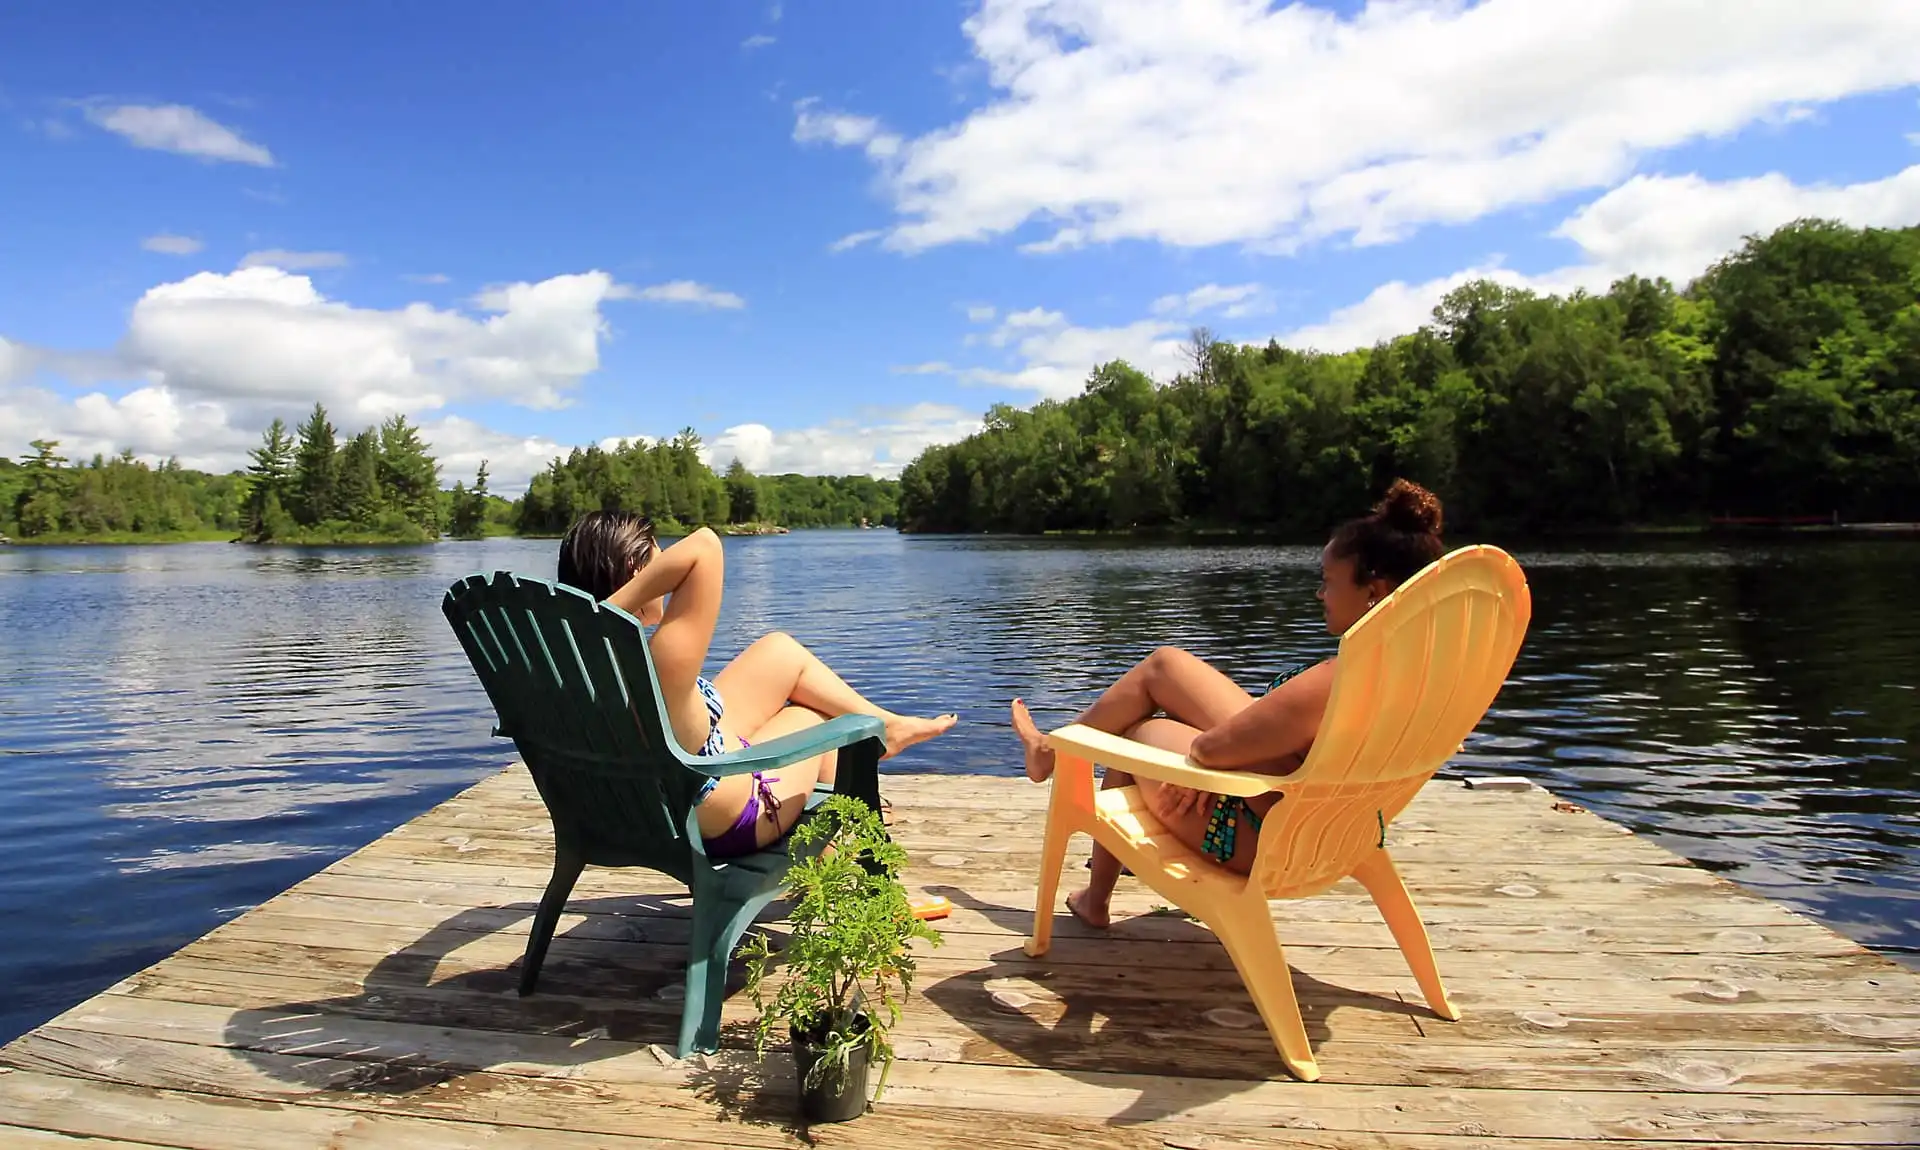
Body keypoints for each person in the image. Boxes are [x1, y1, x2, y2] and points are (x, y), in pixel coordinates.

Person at [1010, 479, 1446, 928]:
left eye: (1328, 582)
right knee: (1166, 668)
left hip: (1258, 836)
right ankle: (1074, 832)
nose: (1320, 595)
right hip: (1335, 829)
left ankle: (1084, 862)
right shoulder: (1421, 674)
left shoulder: (1342, 678)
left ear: (1373, 589)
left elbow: (1209, 751)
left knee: (1137, 730)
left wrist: (1205, 765)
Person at [557, 512, 957, 859]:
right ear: (635, 566)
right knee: (822, 720)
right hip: (730, 822)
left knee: (778, 651)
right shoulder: (658, 665)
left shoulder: (566, 665)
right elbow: (706, 546)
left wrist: (585, 621)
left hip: (660, 799)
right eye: (657, 551)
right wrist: (604, 613)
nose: (665, 559)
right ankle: (848, 862)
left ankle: (887, 725)